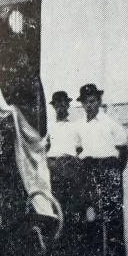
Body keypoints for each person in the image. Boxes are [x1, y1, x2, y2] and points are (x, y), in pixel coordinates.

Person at [75, 83, 128, 256]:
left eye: (92, 101)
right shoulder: (79, 126)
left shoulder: (111, 124)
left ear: (98, 101)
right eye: (85, 102)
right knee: (90, 219)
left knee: (113, 221)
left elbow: (123, 152)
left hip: (109, 172)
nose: (89, 105)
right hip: (89, 173)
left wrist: (112, 174)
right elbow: (78, 150)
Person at [45, 91, 83, 246]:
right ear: (54, 107)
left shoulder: (75, 126)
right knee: (53, 203)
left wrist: (71, 162)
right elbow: (45, 148)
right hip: (53, 166)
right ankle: (54, 241)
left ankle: (70, 240)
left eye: (63, 103)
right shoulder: (49, 127)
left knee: (71, 204)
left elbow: (80, 149)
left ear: (68, 105)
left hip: (69, 167)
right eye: (57, 104)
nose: (60, 107)